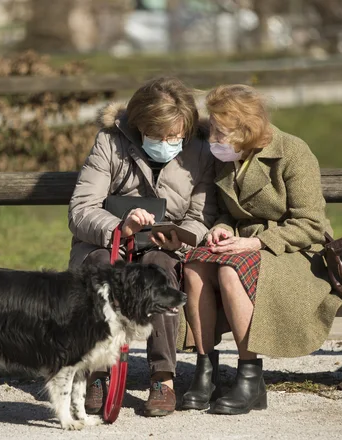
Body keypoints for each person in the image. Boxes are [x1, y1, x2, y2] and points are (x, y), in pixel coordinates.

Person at [179, 84, 342, 415]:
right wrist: (221, 230)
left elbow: (311, 225)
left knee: (230, 269)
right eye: (213, 128)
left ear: (248, 130)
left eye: (220, 132)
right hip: (244, 242)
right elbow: (227, 212)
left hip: (295, 252)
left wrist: (254, 242)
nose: (213, 139)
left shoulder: (293, 153)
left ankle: (250, 377)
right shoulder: (228, 156)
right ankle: (204, 370)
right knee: (195, 264)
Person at [68, 77, 217, 417]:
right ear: (139, 125)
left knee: (161, 271)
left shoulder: (201, 151)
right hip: (107, 242)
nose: (167, 143)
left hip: (163, 246)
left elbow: (202, 215)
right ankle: (96, 373)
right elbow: (80, 210)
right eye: (159, 135)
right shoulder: (109, 142)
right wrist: (119, 228)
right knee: (100, 267)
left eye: (175, 136)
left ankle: (163, 378)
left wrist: (181, 235)